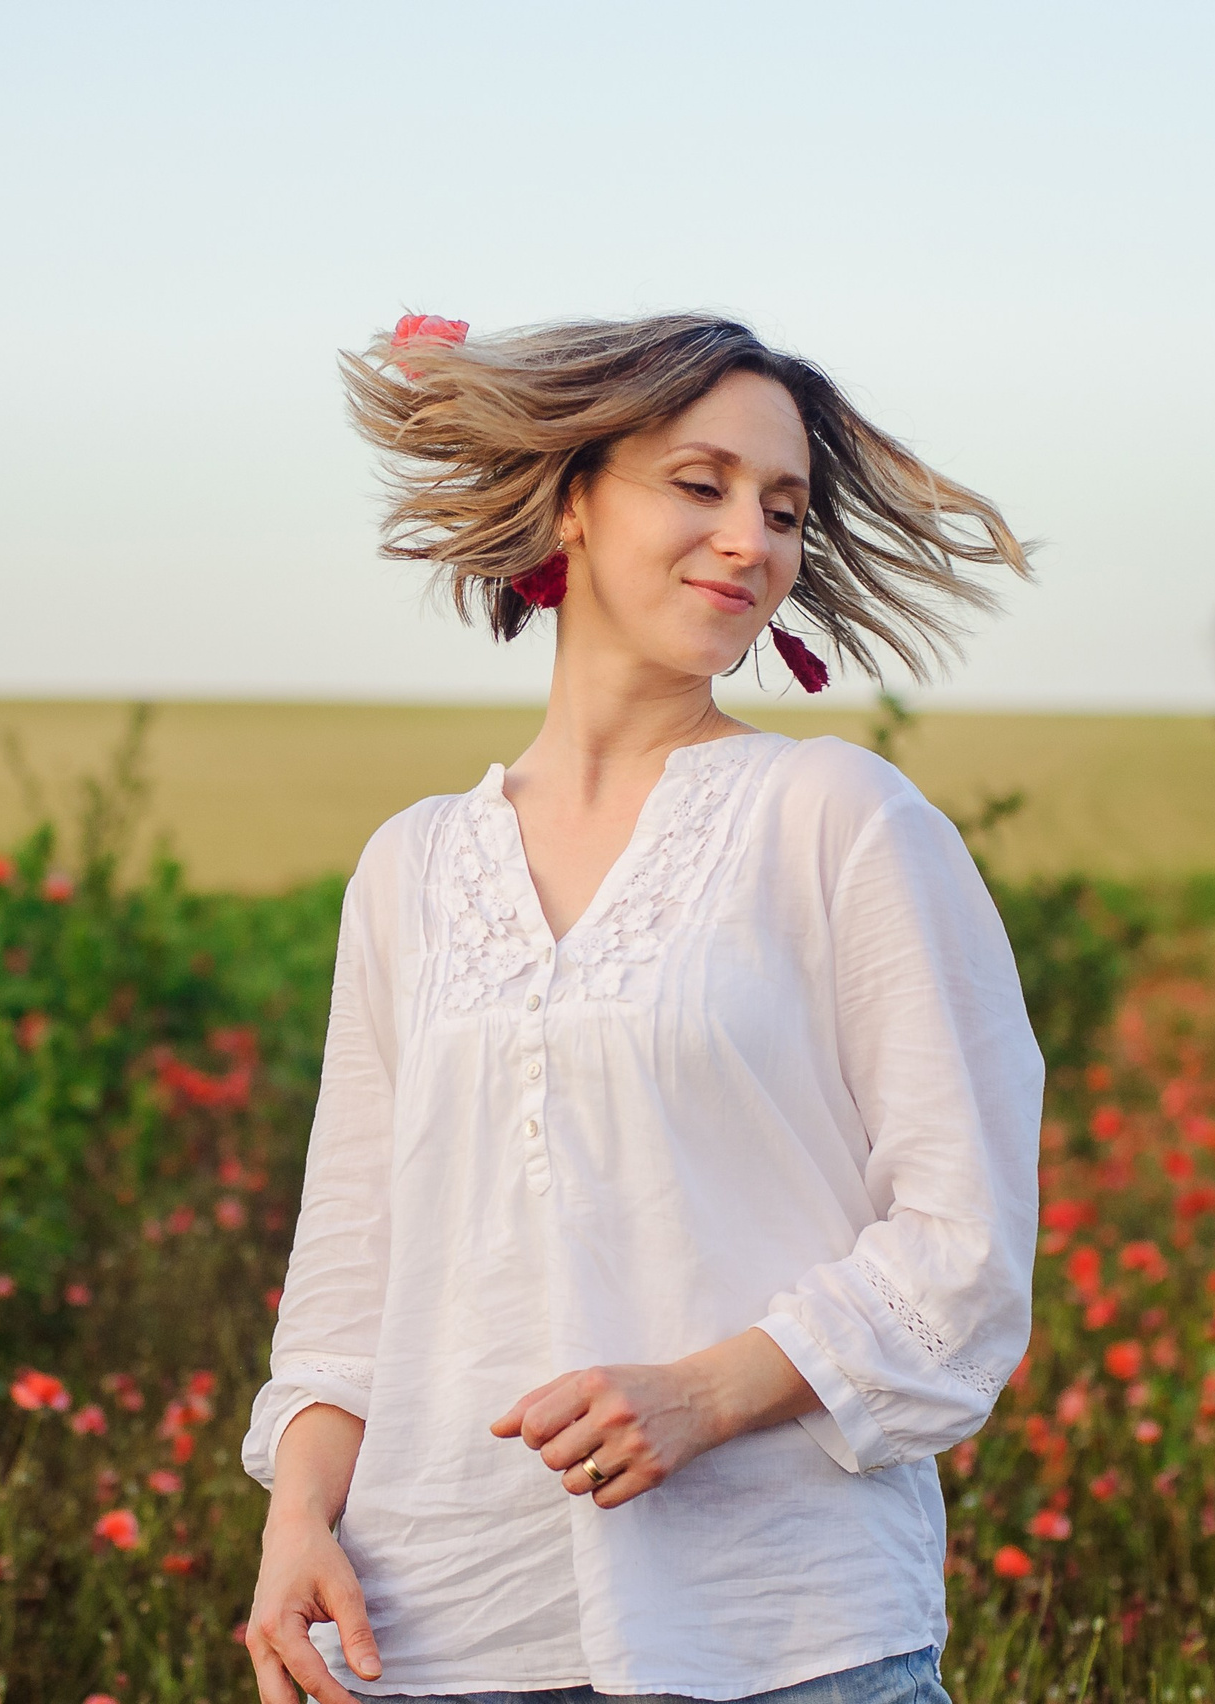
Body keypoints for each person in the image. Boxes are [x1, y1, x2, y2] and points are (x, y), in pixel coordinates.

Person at [238, 311, 1046, 1704]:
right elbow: (353, 1261)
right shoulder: (413, 867)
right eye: (701, 484)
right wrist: (298, 1513)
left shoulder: (840, 821)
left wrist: (706, 1392)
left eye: (783, 510)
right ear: (569, 500)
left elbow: (961, 1248)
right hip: (437, 1632)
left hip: (785, 1636)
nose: (752, 540)